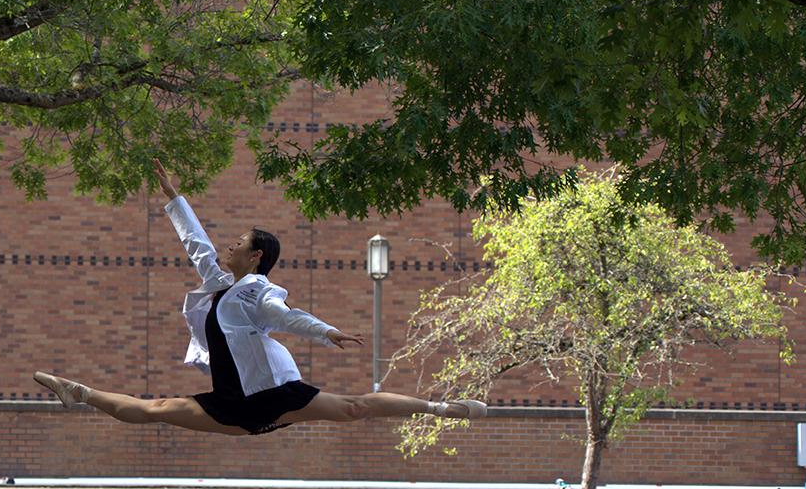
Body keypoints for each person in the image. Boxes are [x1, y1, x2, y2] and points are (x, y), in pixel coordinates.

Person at [34, 161, 485, 435]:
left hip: (271, 395)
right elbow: (197, 243)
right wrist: (174, 198)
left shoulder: (255, 291)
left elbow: (283, 316)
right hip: (232, 402)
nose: (226, 248)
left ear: (256, 256)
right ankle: (80, 393)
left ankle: (446, 409)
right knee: (154, 410)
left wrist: (327, 332)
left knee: (355, 407)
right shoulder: (220, 283)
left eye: (237, 243)